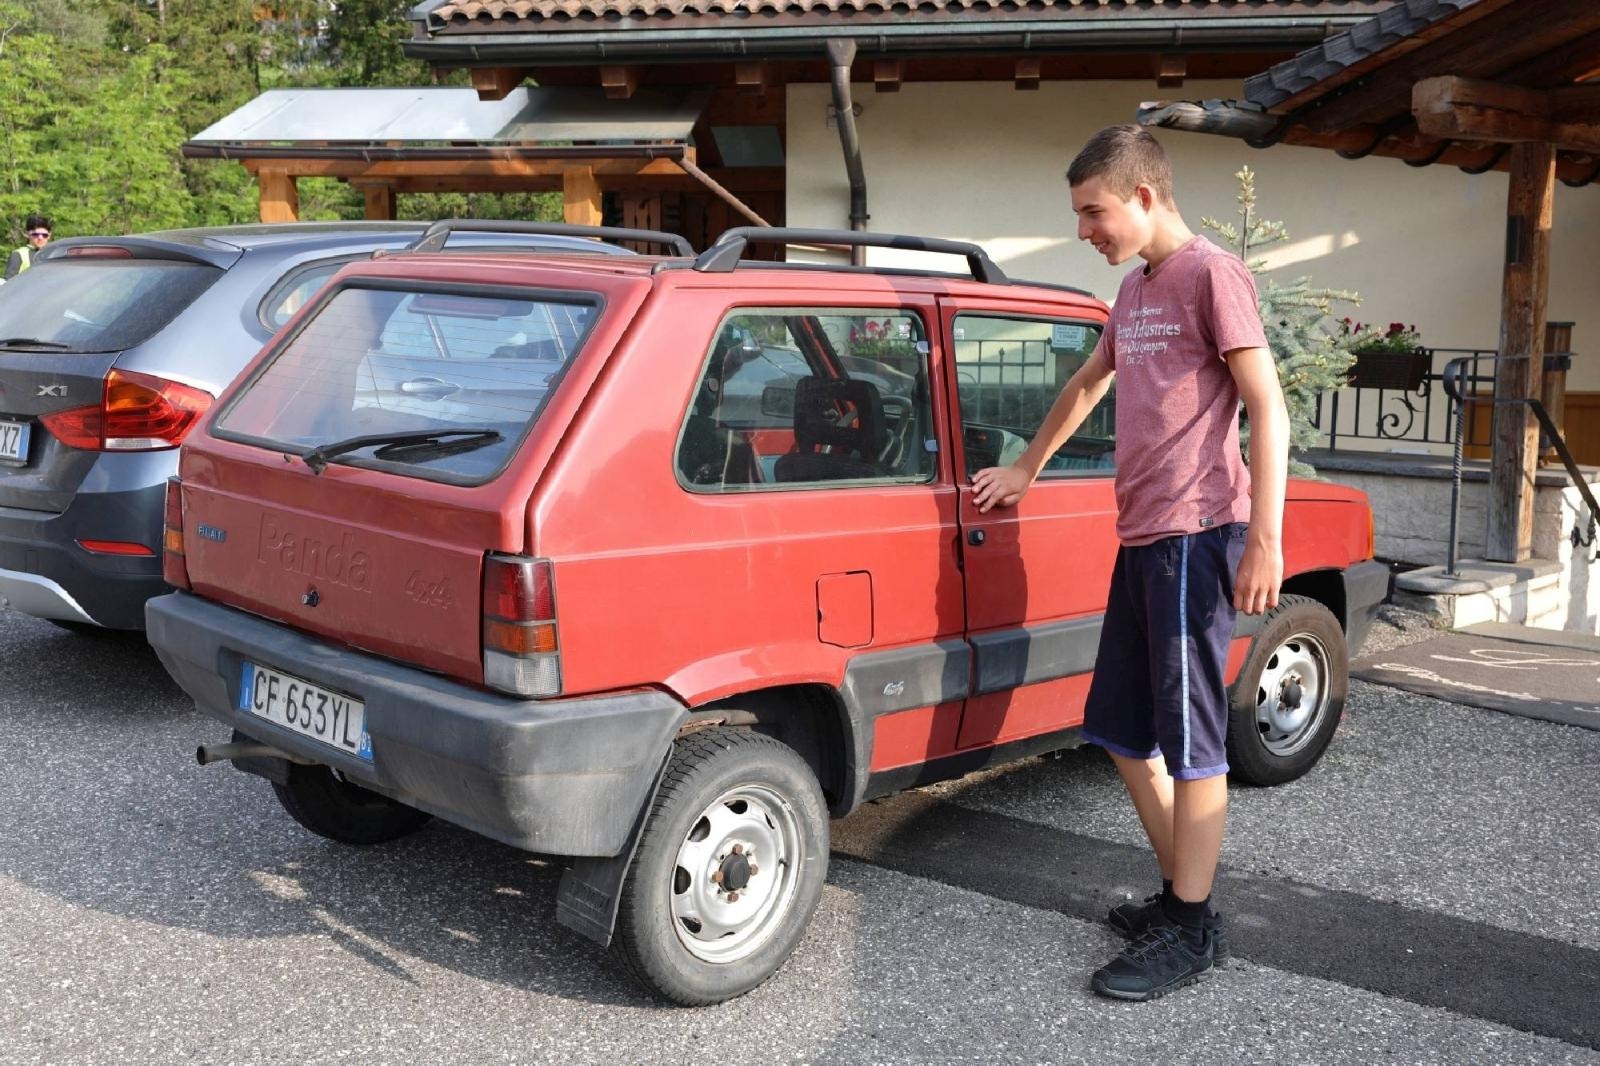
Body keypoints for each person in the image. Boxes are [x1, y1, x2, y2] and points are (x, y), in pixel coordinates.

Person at [970, 124, 1288, 1001]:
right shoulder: (1136, 289)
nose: (1085, 230)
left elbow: (1268, 403)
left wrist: (1265, 535)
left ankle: (1190, 926)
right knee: (1119, 730)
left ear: (1143, 196)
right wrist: (1026, 468)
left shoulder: (1211, 275)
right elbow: (1085, 384)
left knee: (1192, 742)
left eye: (1092, 211)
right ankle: (1185, 898)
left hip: (1195, 536)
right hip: (1143, 537)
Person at [4, 214, 52, 280]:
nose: (40, 238)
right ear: (27, 234)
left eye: (44, 235)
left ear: (49, 236)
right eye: (35, 234)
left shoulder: (54, 254)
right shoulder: (18, 254)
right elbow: (8, 283)